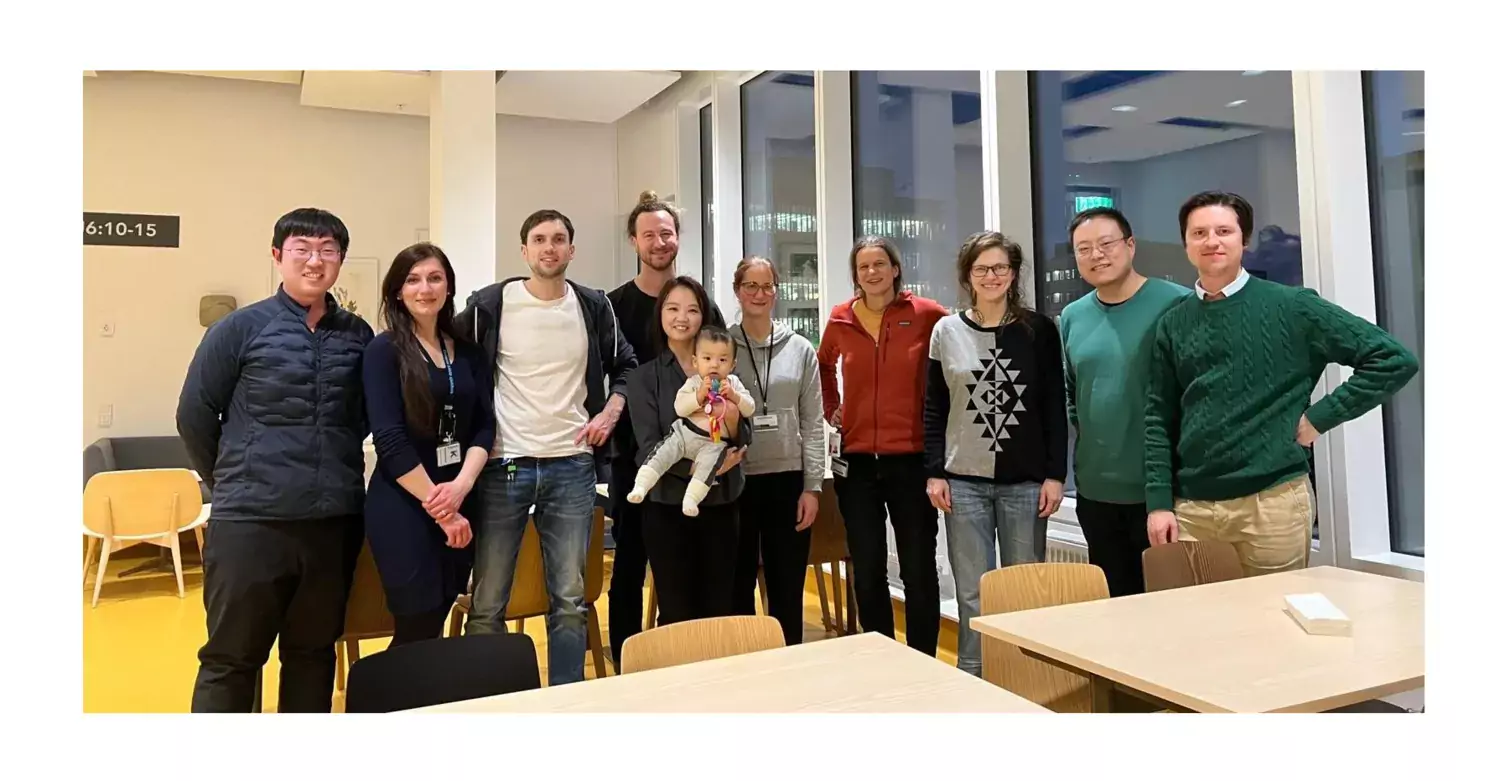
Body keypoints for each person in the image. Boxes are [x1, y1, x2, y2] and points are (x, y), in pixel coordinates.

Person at [1144, 191, 1419, 576]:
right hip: (1193, 510)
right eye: (1199, 233)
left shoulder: (1293, 306)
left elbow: (1393, 360)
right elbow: (1158, 415)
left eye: (1224, 230)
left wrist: (1319, 417)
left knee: (1273, 625)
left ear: (1244, 240)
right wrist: (1158, 502)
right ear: (1186, 243)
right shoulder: (1173, 322)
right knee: (1202, 629)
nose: (1212, 241)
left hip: (1273, 505)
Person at [177, 207, 373, 712]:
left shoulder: (358, 335)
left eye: (327, 251)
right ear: (277, 257)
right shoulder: (240, 329)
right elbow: (195, 413)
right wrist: (232, 481)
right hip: (251, 523)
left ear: (340, 260)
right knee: (232, 658)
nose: (315, 261)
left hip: (332, 524)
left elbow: (365, 416)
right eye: (301, 250)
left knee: (312, 654)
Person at [454, 209, 637, 687]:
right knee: (488, 599)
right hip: (503, 464)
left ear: (572, 251)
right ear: (524, 251)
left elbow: (627, 367)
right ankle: (486, 695)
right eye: (539, 239)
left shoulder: (593, 305)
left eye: (559, 239)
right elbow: (448, 361)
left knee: (570, 600)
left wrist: (610, 412)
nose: (549, 248)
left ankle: (565, 700)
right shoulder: (490, 305)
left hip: (571, 466)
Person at [924, 231, 1066, 677]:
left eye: (1001, 268)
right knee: (972, 593)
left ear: (1014, 274)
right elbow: (933, 406)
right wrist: (934, 472)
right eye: (982, 268)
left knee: (1024, 592)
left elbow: (1053, 407)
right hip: (962, 482)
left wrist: (1055, 474)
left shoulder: (1038, 330)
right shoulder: (946, 330)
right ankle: (974, 676)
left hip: (1026, 484)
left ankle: (1026, 677)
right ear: (968, 275)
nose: (992, 276)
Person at [604, 191, 725, 665]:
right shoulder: (613, 306)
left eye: (666, 233)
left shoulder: (702, 303)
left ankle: (687, 654)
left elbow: (718, 372)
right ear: (634, 240)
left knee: (690, 570)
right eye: (649, 234)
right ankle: (627, 660)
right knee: (631, 565)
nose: (659, 242)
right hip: (637, 459)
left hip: (700, 459)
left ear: (679, 239)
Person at [816, 236, 946, 656]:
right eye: (863, 266)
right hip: (857, 464)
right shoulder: (840, 318)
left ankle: (924, 657)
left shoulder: (925, 314)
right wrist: (832, 408)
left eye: (879, 264)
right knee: (868, 568)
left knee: (917, 568)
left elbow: (958, 352)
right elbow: (821, 365)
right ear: (855, 275)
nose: (871, 272)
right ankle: (880, 655)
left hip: (911, 460)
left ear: (895, 269)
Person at [362, 243, 494, 646]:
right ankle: (394, 705)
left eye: (435, 278)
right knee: (416, 622)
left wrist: (462, 488)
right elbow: (389, 438)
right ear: (398, 291)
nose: (425, 288)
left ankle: (425, 702)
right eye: (413, 279)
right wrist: (443, 512)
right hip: (405, 505)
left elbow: (485, 426)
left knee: (439, 611)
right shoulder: (383, 351)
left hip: (460, 498)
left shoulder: (468, 352)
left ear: (449, 287)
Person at [1059, 208, 1190, 597]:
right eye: (1084, 249)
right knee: (1116, 605)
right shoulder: (1072, 316)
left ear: (1130, 246)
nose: (1096, 255)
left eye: (1106, 244)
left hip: (1164, 492)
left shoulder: (1177, 304)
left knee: (1173, 609)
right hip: (1096, 489)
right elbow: (1072, 392)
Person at [626, 276, 751, 626]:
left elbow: (745, 430)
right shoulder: (643, 378)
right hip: (666, 507)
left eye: (692, 309)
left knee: (720, 608)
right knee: (678, 611)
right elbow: (648, 447)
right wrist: (706, 469)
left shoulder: (723, 368)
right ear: (660, 315)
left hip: (723, 504)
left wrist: (731, 438)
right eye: (673, 308)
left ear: (705, 315)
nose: (682, 317)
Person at [728, 256, 825, 646]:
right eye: (750, 286)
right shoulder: (721, 346)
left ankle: (790, 665)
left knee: (787, 588)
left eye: (767, 286)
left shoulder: (800, 349)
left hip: (787, 481)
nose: (759, 294)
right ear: (737, 291)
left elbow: (813, 421)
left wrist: (813, 486)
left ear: (776, 292)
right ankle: (744, 666)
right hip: (736, 480)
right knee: (737, 587)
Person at [627, 325, 756, 515]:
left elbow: (750, 408)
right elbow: (680, 407)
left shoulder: (734, 384)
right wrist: (698, 396)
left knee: (708, 466)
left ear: (732, 364)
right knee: (663, 453)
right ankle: (641, 485)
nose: (714, 364)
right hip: (684, 434)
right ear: (696, 362)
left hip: (713, 442)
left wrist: (735, 397)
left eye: (722, 359)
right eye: (707, 358)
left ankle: (691, 499)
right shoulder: (694, 382)